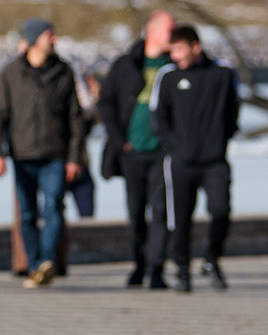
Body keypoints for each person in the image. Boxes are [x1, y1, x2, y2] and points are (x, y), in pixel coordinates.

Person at [0, 18, 86, 289]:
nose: (54, 40)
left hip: (55, 155)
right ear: (34, 40)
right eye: (49, 35)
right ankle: (34, 266)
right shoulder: (11, 72)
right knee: (28, 213)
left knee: (53, 206)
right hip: (22, 156)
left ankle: (47, 261)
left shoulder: (64, 71)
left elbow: (76, 119)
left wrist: (74, 158)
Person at [151, 25, 240, 292]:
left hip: (214, 160)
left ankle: (212, 260)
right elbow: (158, 115)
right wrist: (173, 145)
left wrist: (221, 139)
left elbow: (233, 110)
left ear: (195, 47)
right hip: (181, 161)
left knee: (220, 210)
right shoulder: (168, 75)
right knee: (180, 219)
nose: (175, 56)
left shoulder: (223, 73)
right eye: (172, 50)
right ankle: (182, 269)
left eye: (179, 49)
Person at [98, 10, 176, 289]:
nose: (174, 35)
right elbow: (106, 102)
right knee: (135, 212)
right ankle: (139, 264)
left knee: (162, 211)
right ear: (152, 31)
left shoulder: (175, 65)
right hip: (132, 151)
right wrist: (120, 141)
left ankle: (156, 268)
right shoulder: (126, 64)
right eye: (170, 30)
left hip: (163, 152)